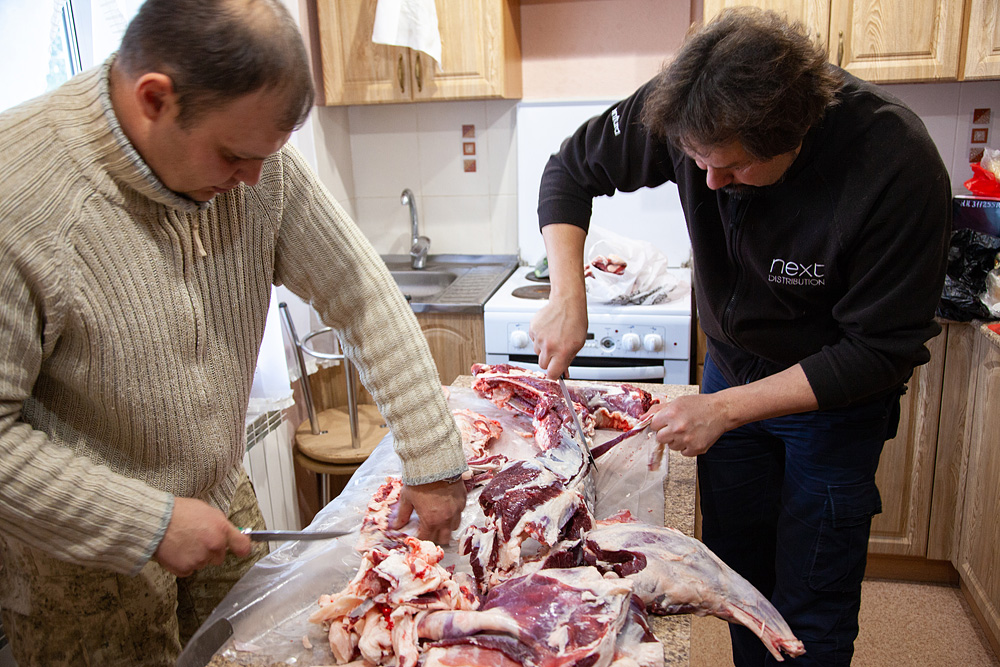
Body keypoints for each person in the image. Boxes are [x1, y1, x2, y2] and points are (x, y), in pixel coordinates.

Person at [0, 0, 468, 663]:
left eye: (265, 157)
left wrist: (433, 458)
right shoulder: (19, 197)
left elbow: (360, 293)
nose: (252, 180)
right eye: (233, 155)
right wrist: (149, 521)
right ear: (155, 99)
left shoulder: (257, 168)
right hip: (77, 561)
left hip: (221, 499)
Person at [530, 8, 950, 666]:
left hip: (833, 398)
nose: (709, 183)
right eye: (695, 161)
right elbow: (569, 172)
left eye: (732, 168)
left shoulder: (894, 161)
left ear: (795, 137)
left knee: (812, 601)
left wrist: (723, 409)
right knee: (740, 581)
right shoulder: (686, 106)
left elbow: (879, 350)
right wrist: (567, 296)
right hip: (731, 364)